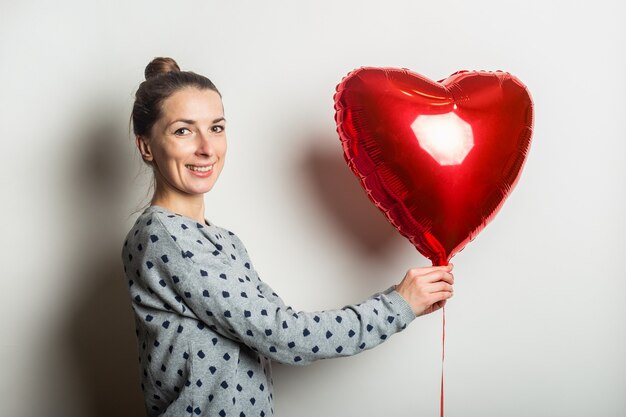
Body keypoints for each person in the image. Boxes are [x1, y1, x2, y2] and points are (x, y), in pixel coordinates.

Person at [121, 57, 454, 417]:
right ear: (147, 146)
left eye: (216, 128)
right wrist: (397, 306)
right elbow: (285, 335)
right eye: (183, 130)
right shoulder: (165, 238)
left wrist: (400, 302)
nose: (206, 147)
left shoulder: (222, 241)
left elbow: (273, 326)